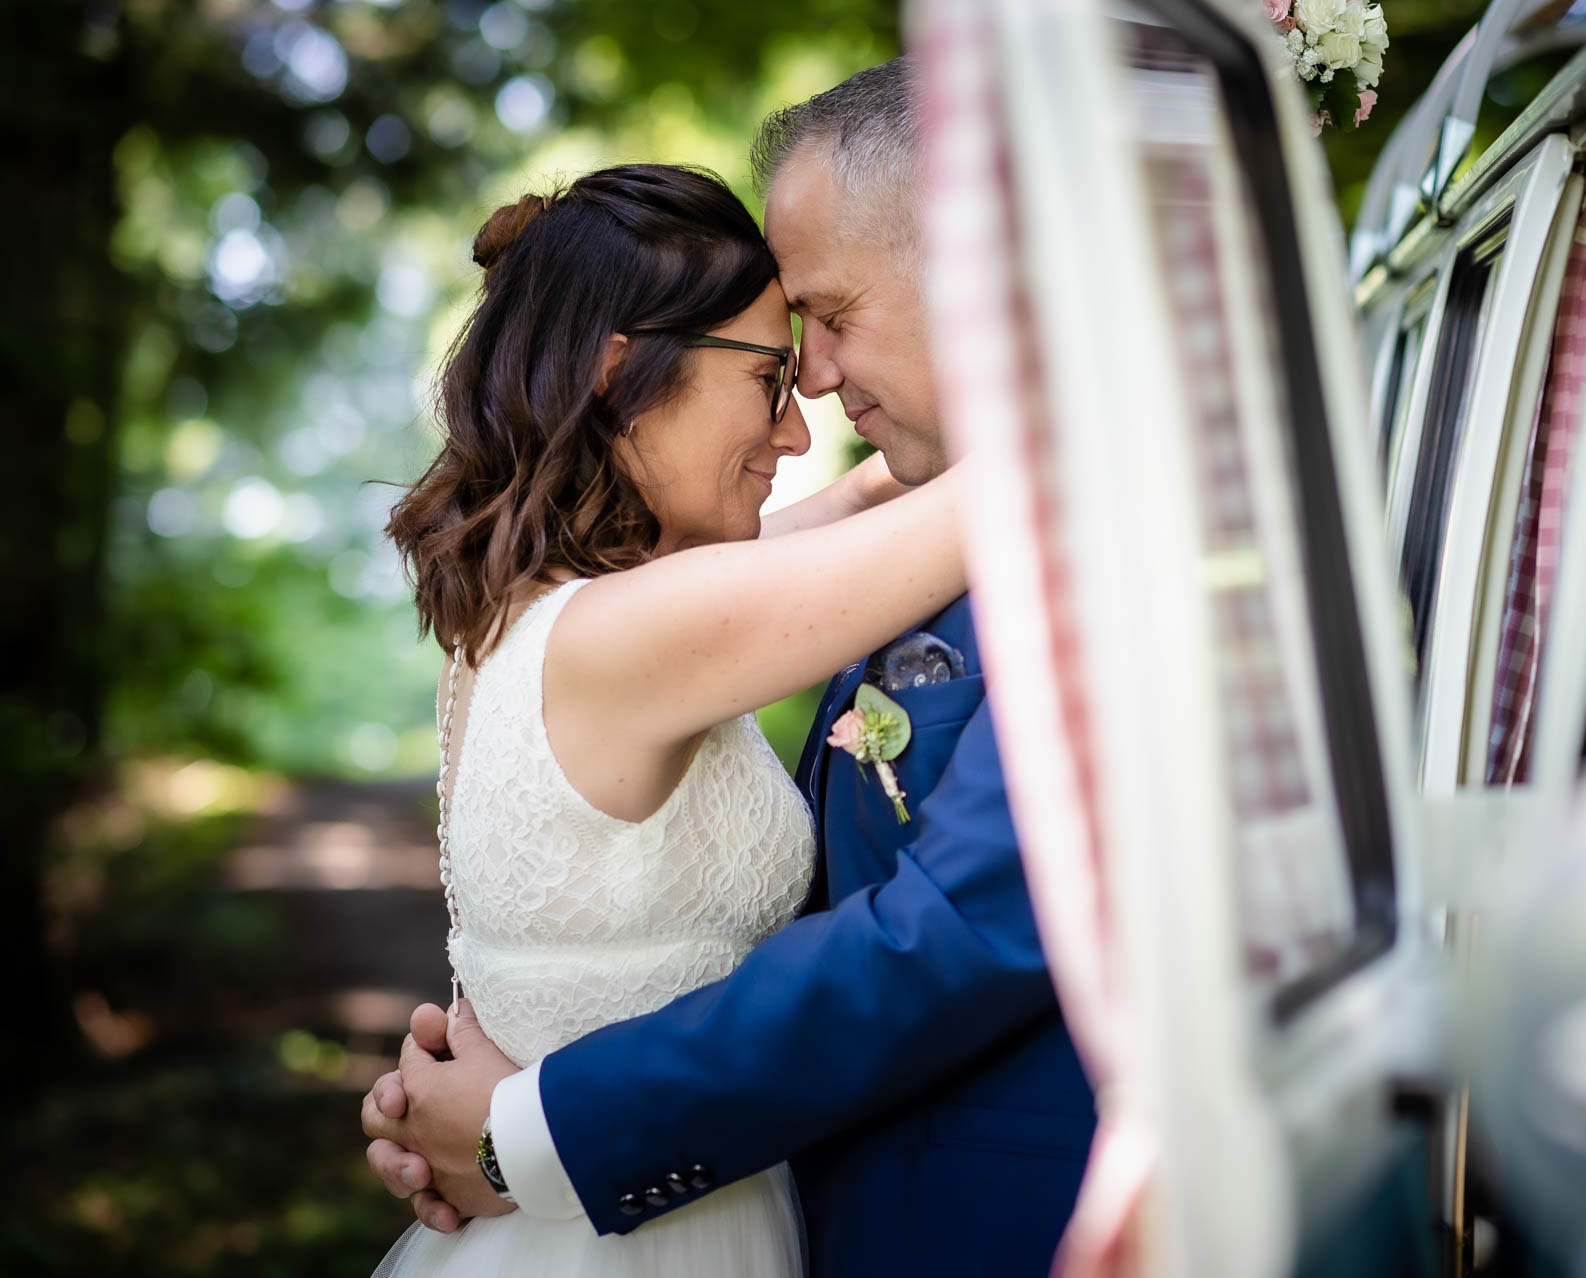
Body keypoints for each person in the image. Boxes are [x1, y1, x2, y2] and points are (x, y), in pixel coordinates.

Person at [363, 59, 1097, 1278]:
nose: (806, 409)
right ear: (616, 373)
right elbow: (1012, 481)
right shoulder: (637, 632)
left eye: (824, 330)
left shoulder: (556, 603)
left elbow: (885, 494)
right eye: (768, 372)